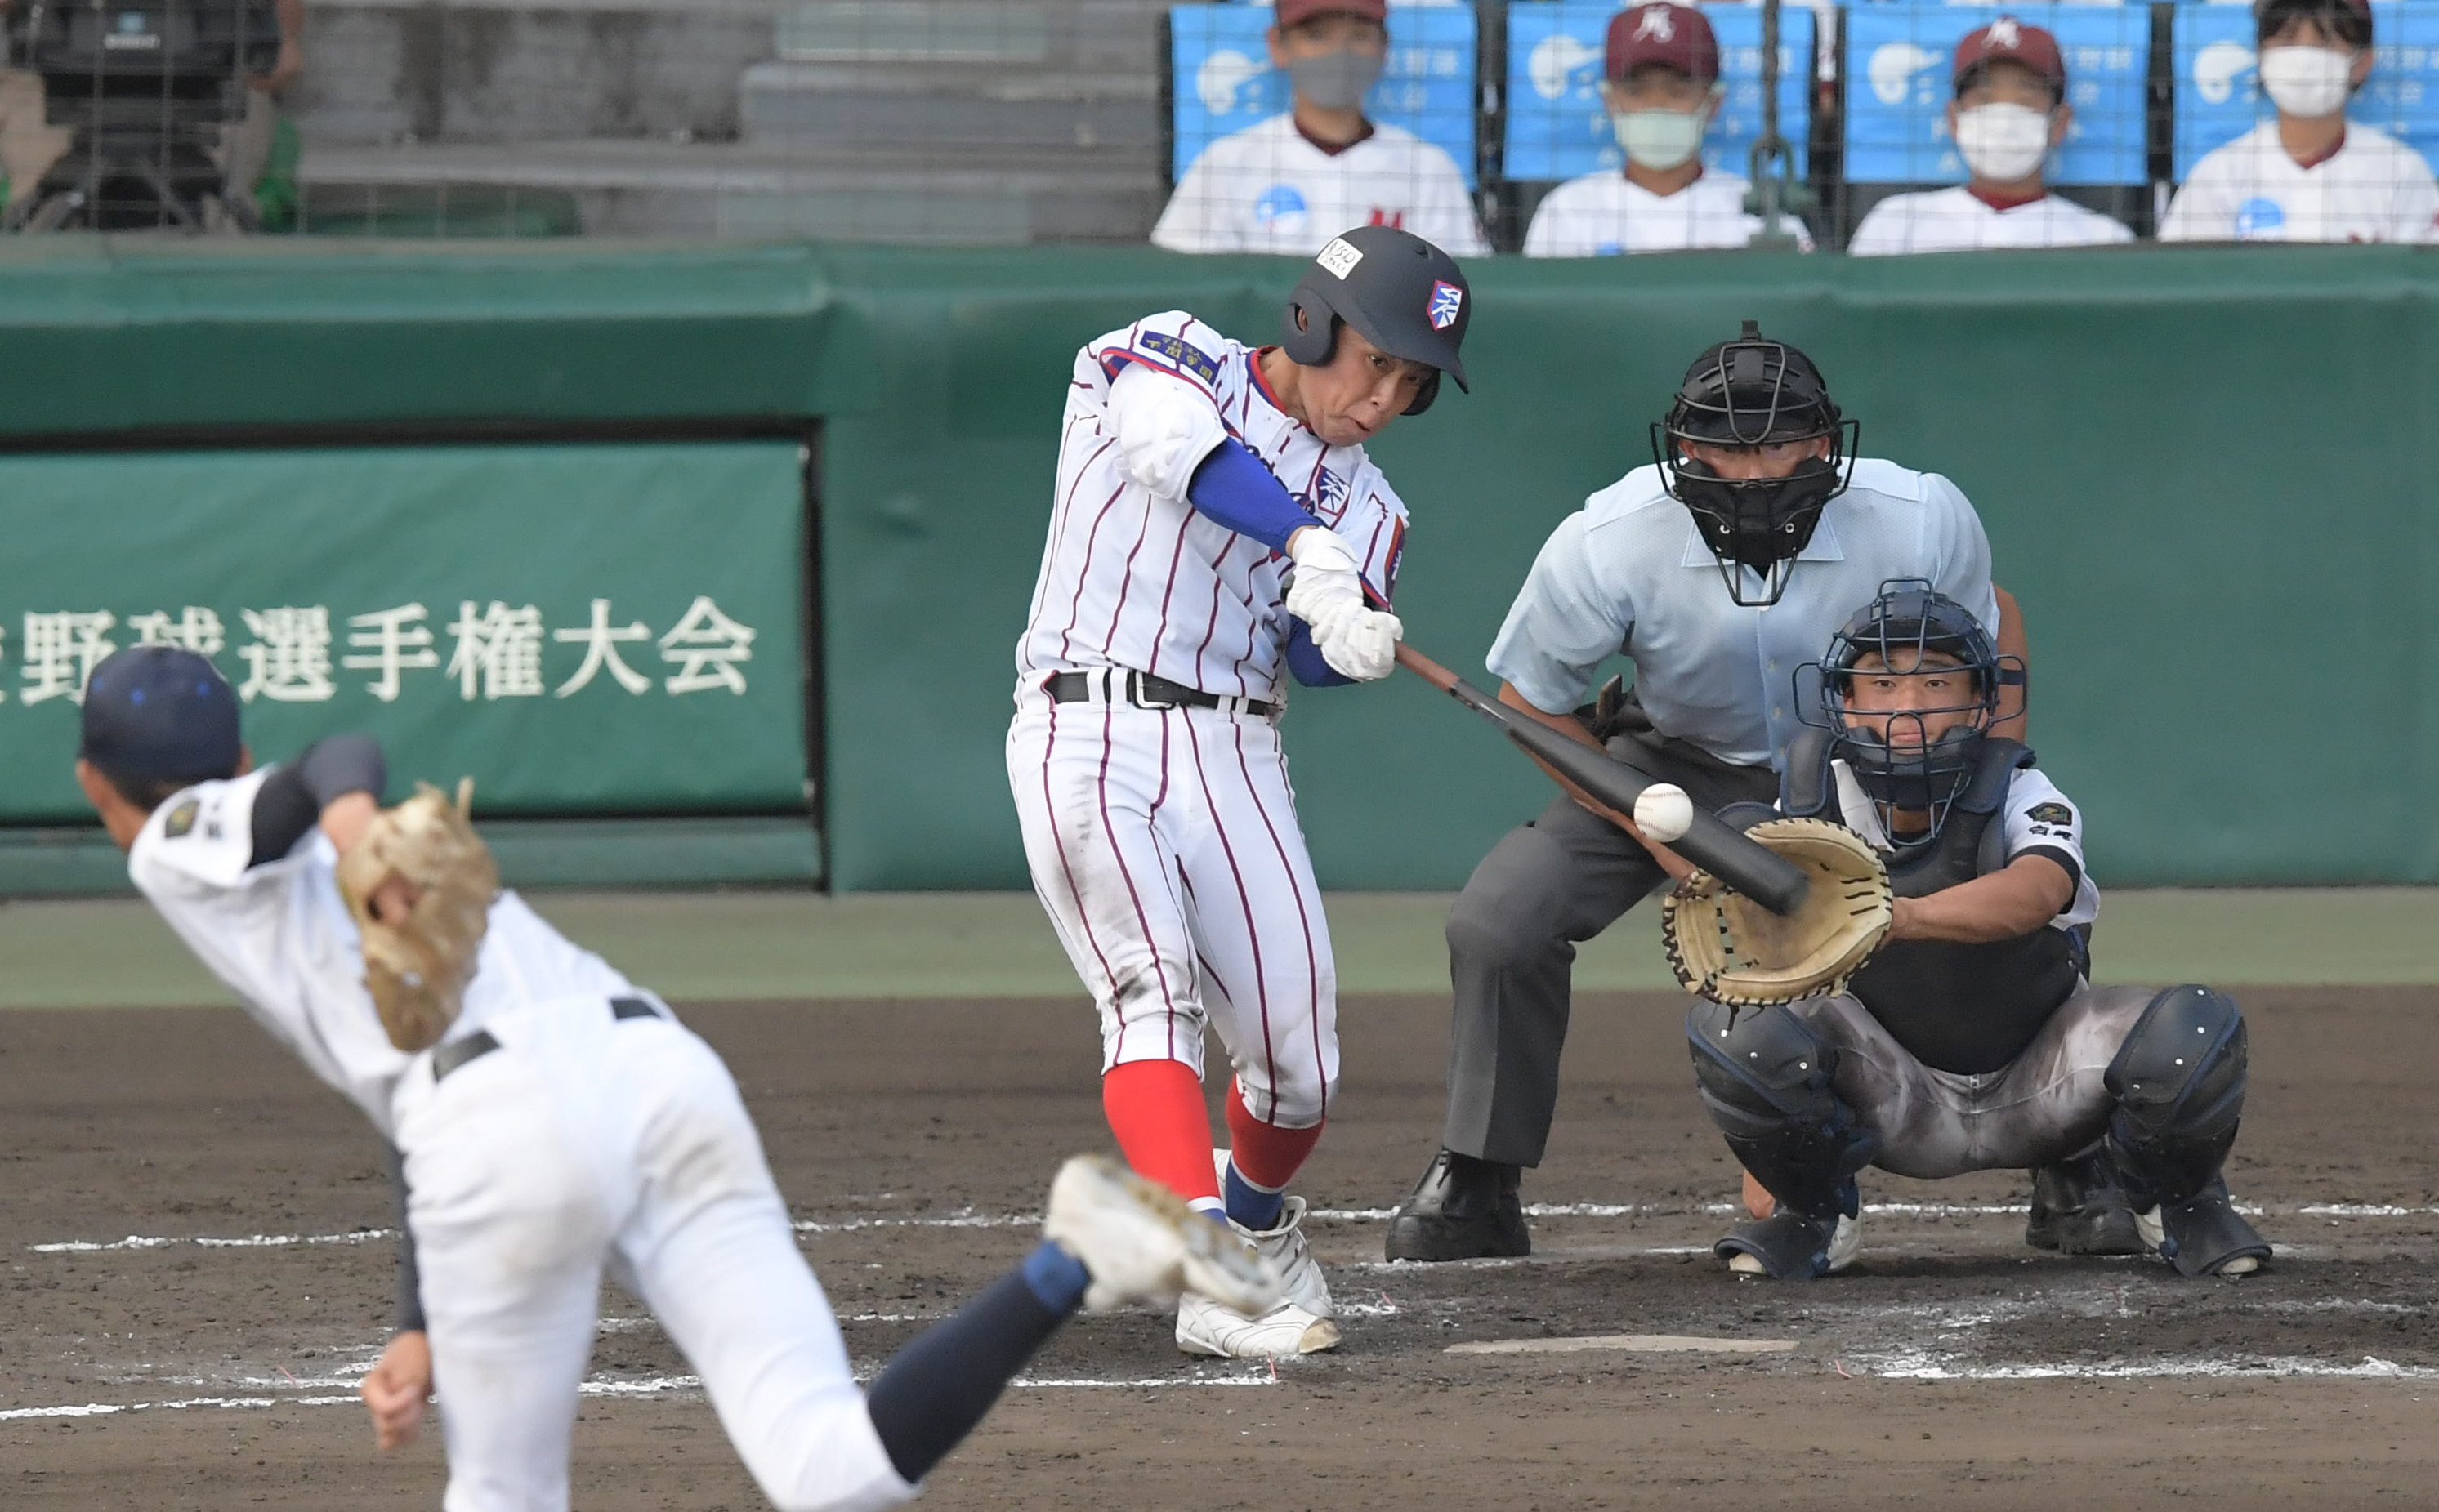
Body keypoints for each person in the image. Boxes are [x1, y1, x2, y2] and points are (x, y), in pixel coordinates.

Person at [76, 642, 1280, 1512]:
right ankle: (1073, 1254)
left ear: (94, 787)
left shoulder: (174, 848)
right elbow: (340, 769)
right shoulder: (268, 822)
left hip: (492, 1131)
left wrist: (344, 819)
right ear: (232, 739)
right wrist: (416, 1323)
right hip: (656, 1068)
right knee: (830, 1469)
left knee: (502, 1490)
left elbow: (327, 770)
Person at [1383, 319, 2035, 1263]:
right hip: (1669, 762)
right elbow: (1532, 696)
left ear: (1823, 443)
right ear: (1684, 448)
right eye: (1726, 447)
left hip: (1871, 763)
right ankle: (1478, 1173)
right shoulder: (1608, 539)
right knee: (1500, 920)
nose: (1754, 470)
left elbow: (1990, 627)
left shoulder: (1919, 515)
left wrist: (1990, 779)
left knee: (2004, 881)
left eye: (1776, 442)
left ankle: (2080, 1165)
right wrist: (1647, 825)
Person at [1008, 224, 1468, 1355]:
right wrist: (1304, 537)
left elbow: (1305, 649)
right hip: (1086, 719)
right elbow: (1173, 452)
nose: (1383, 397)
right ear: (1312, 321)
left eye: (1412, 382)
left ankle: (1254, 1230)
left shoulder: (1379, 514)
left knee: (1299, 1065)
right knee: (1150, 990)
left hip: (1235, 751)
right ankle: (1213, 1273)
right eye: (1377, 359)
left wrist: (1343, 636)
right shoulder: (1167, 354)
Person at [1689, 583, 2271, 1280]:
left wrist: (1897, 916)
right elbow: (1773, 954)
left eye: (1935, 680)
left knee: (2191, 1029)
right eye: (1879, 682)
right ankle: (1812, 1212)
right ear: (1842, 700)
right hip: (1891, 1090)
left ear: (1978, 701)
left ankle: (2172, 1203)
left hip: (2043, 1080)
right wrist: (1767, 1155)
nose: (1907, 703)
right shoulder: (1808, 798)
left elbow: (2038, 890)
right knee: (1734, 1020)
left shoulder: (2021, 788)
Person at [1152, 0, 1487, 256]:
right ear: (1278, 45)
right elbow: (1186, 284)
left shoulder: (1428, 167)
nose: (1339, 54)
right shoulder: (1225, 163)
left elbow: (1462, 290)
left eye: (1358, 36)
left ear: (1384, 47)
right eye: (1317, 36)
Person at [1524, 2, 1814, 257]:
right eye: (1637, 91)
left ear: (1713, 103)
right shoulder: (1567, 210)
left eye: (1677, 91)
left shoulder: (1761, 213)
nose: (1657, 104)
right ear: (1609, 101)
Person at [1847, 17, 2134, 256]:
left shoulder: (2104, 240)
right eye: (1984, 99)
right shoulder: (1896, 223)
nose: (2004, 118)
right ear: (1954, 119)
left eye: (2025, 100)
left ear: (2059, 123)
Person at [2160, 0, 2439, 244]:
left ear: (2363, 61)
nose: (2304, 59)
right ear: (2260, 55)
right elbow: (2181, 281)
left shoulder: (2402, 172)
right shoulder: (2219, 175)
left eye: (2325, 42)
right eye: (2287, 40)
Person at [0, 0, 302, 217]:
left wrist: (281, 41)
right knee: (44, 206)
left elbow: (281, 37)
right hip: (50, 88)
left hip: (210, 88)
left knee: (217, 212)